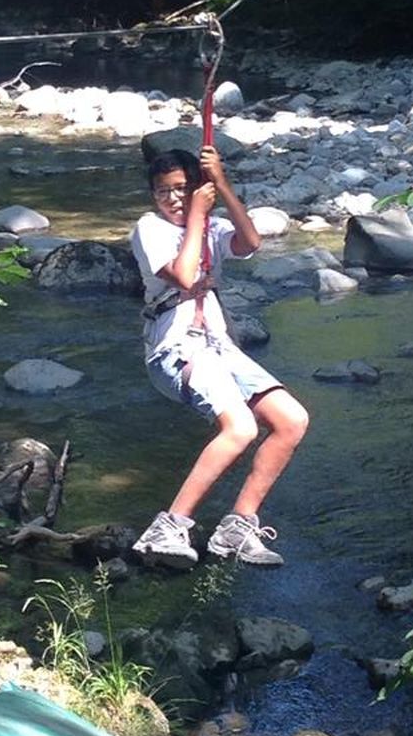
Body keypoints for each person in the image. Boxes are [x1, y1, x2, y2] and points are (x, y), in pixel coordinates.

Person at [130, 144, 309, 569]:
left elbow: (249, 242)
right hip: (176, 347)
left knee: (292, 420)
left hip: (217, 347)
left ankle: (238, 527)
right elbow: (184, 275)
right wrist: (196, 214)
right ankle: (168, 527)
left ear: (198, 187)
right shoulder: (149, 229)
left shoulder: (212, 225)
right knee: (241, 428)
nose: (172, 198)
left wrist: (222, 186)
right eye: (163, 191)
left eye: (182, 189)